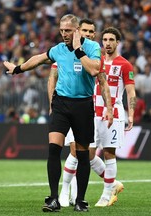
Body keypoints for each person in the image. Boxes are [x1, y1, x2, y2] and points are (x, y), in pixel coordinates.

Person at [4, 14, 112, 212]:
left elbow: (94, 70)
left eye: (68, 30)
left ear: (77, 30)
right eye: (62, 30)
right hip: (61, 103)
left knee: (82, 154)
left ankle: (80, 200)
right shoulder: (59, 49)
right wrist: (18, 69)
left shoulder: (93, 48)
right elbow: (39, 59)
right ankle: (53, 198)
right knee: (54, 148)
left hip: (83, 104)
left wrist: (79, 50)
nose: (64, 34)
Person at [55, 19, 112, 207]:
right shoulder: (63, 50)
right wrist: (51, 104)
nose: (87, 34)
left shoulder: (94, 51)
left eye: (90, 31)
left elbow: (102, 81)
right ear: (79, 30)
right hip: (67, 106)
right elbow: (52, 77)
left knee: (86, 154)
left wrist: (109, 108)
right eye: (84, 30)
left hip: (88, 108)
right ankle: (65, 193)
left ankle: (79, 193)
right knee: (74, 150)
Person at [92, 27, 136, 207]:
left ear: (118, 42)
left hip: (114, 114)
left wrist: (130, 114)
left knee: (109, 153)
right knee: (86, 154)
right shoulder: (97, 62)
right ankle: (113, 184)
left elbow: (130, 91)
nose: (108, 43)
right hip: (94, 112)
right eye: (105, 40)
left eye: (111, 40)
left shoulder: (125, 64)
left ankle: (106, 195)